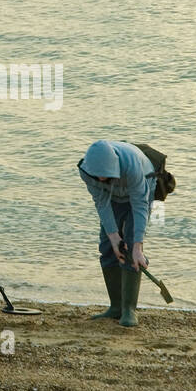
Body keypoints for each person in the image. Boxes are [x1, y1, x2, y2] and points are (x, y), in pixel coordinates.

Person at [78, 139, 157, 328]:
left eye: (105, 175)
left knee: (130, 246)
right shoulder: (86, 171)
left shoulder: (131, 165)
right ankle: (115, 307)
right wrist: (114, 237)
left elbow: (140, 205)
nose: (101, 179)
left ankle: (129, 309)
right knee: (107, 247)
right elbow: (101, 203)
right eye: (98, 176)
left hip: (141, 191)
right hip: (113, 197)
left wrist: (138, 246)